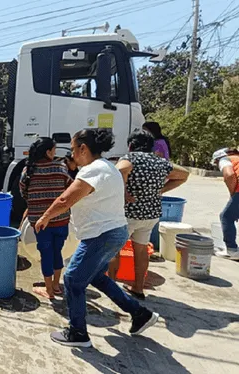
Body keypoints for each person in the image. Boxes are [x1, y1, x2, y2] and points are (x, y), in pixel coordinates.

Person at [35, 128, 159, 348]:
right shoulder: (108, 167)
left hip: (102, 235)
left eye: (73, 149)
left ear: (83, 148)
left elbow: (65, 200)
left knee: (73, 278)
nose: (72, 155)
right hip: (113, 232)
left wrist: (45, 217)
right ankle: (140, 313)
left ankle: (77, 333)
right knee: (95, 277)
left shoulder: (92, 170)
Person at [108, 130, 190, 299]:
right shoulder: (160, 162)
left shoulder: (130, 158)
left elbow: (120, 170)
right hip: (150, 215)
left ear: (131, 145)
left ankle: (112, 289)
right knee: (141, 251)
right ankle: (138, 288)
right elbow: (184, 174)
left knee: (114, 251)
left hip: (127, 214)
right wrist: (161, 190)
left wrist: (123, 192)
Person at [19, 137, 72, 299]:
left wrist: (37, 203)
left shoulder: (29, 170)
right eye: (54, 151)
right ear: (48, 152)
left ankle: (49, 290)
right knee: (58, 252)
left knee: (46, 254)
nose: (55, 154)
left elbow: (24, 193)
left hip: (40, 222)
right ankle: (56, 286)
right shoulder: (60, 168)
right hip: (61, 219)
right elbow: (70, 189)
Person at [212, 148, 239, 260]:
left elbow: (229, 175)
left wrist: (233, 194)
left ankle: (232, 250)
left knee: (226, 216)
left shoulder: (224, 159)